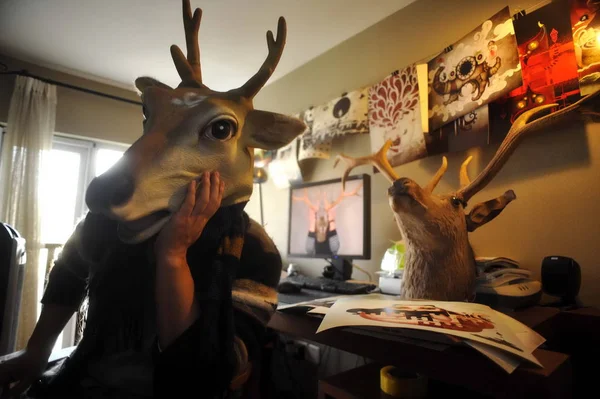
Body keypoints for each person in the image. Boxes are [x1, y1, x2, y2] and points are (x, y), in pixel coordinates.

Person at [0, 172, 282, 398]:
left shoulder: (252, 247)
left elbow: (205, 371)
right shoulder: (109, 221)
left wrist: (173, 256)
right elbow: (68, 273)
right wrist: (36, 351)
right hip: (85, 377)